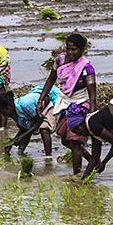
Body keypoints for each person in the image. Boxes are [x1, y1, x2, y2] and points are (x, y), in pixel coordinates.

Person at [37, 33, 97, 175]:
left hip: (79, 106)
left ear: (82, 49)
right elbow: (51, 80)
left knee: (75, 142)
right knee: (65, 140)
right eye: (68, 49)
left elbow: (92, 95)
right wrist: (41, 99)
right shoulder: (60, 60)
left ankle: (76, 176)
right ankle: (93, 160)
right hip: (64, 103)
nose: (70, 52)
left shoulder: (86, 68)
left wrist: (91, 116)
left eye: (74, 49)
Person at [0, 86, 60, 157]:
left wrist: (24, 136)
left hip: (51, 98)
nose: (4, 115)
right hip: (38, 106)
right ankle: (21, 152)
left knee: (43, 128)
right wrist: (11, 143)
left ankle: (48, 156)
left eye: (4, 112)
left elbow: (39, 121)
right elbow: (23, 128)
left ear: (10, 105)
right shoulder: (14, 113)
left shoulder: (25, 105)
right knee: (28, 129)